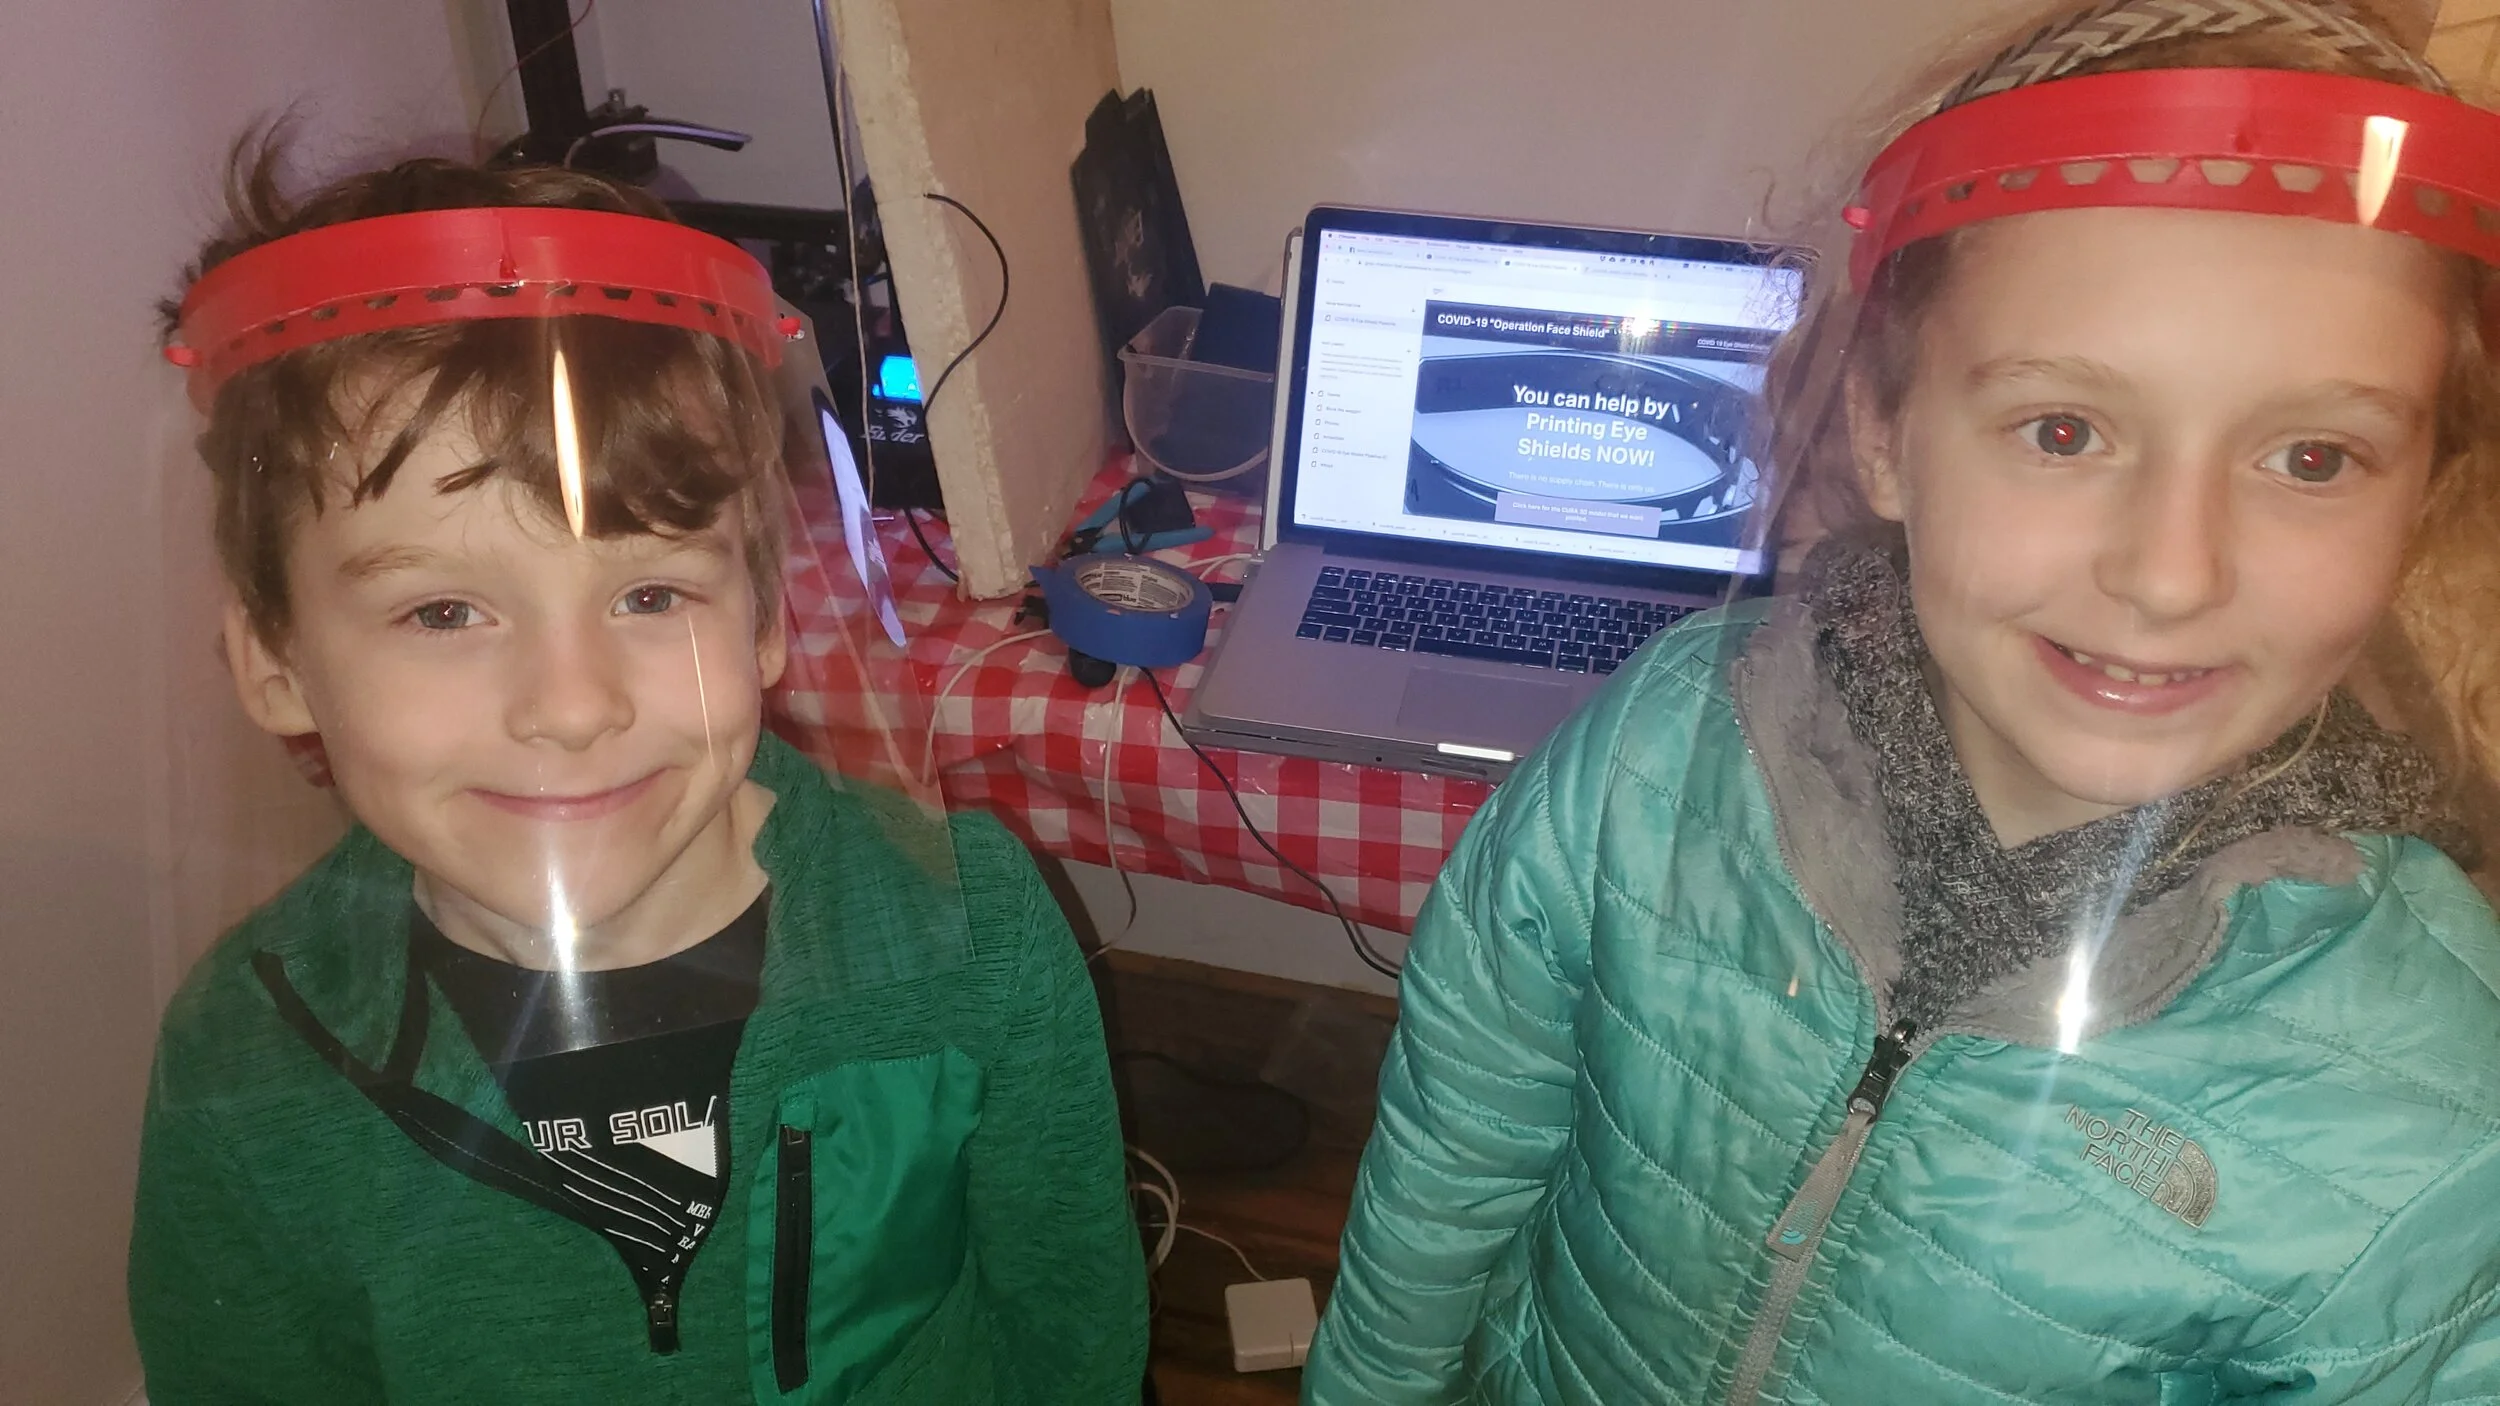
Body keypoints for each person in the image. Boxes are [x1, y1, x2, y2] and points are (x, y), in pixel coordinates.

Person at [1304, 2, 2500, 1402]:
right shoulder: (1654, 751)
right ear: (1882, 430)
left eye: (2311, 456)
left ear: (2424, 491)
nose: (2171, 574)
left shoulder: (2438, 1106)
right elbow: (1449, 1169)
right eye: (2063, 429)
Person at [129, 145, 1148, 1404]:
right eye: (443, 610)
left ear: (763, 617)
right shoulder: (247, 1058)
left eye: (651, 593)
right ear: (275, 661)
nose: (574, 705)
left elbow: (1071, 1332)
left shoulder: (967, 929)